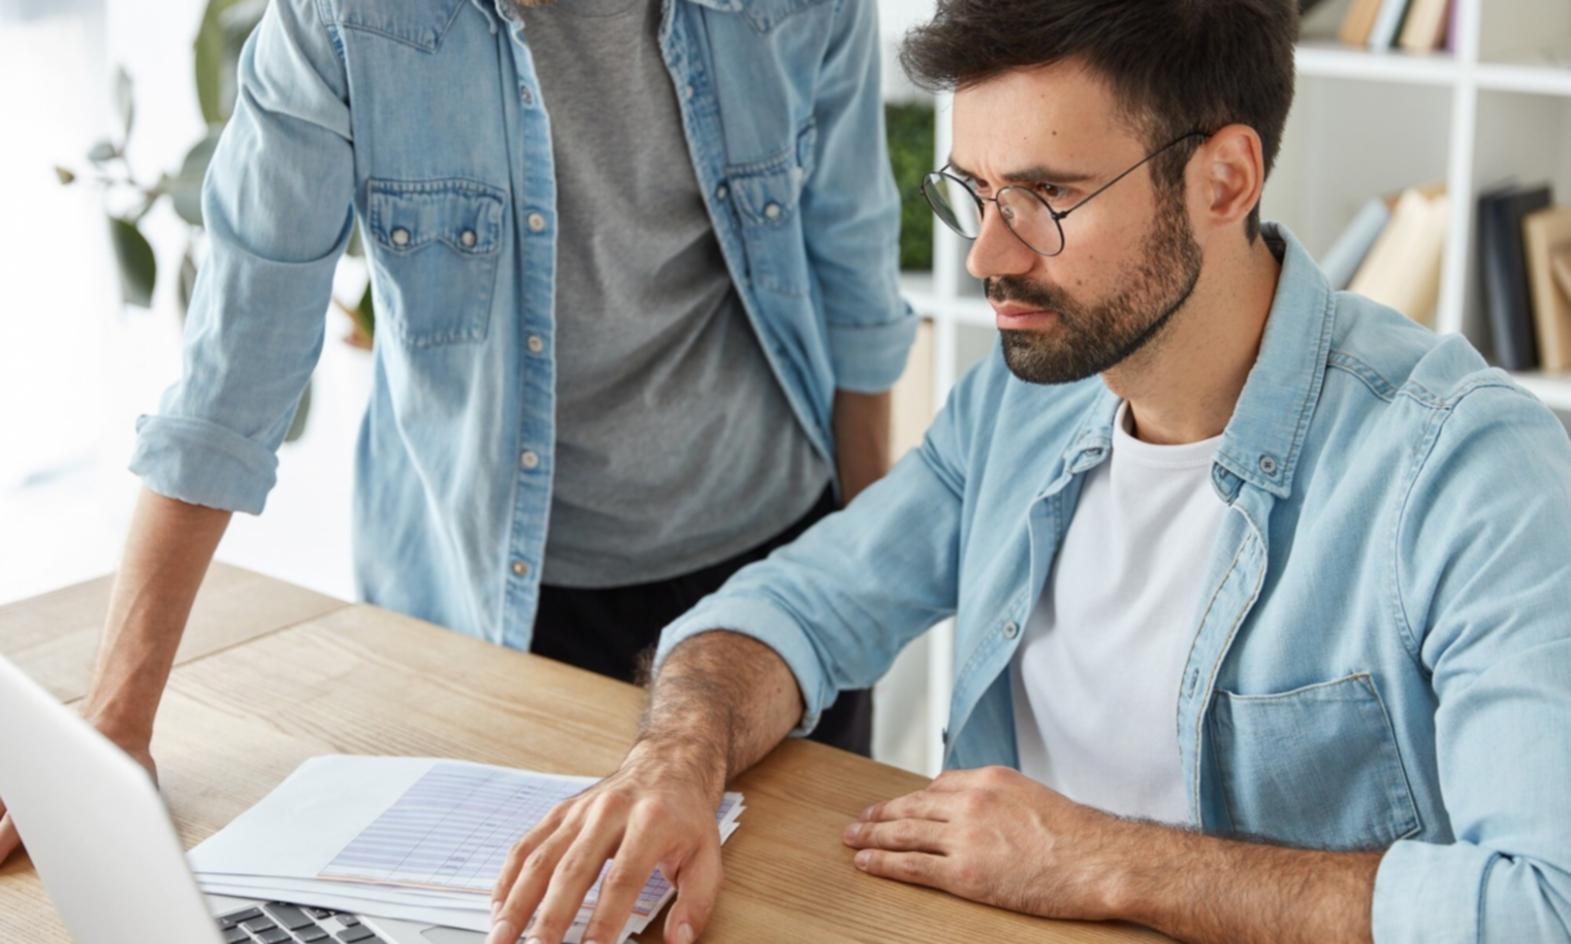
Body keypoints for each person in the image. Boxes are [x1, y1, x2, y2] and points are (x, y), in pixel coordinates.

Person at [485, 2, 1571, 942]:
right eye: (975, 191)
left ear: (1223, 179)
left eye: (1046, 195)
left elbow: (1544, 902)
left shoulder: (1469, 474)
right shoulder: (1022, 402)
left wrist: (1098, 860)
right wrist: (675, 760)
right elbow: (797, 605)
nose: (986, 256)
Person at [0, 0, 914, 864]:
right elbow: (234, 370)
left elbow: (856, 280)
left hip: (770, 577)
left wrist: (857, 561)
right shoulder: (343, 20)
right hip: (497, 606)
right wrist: (115, 723)